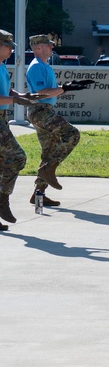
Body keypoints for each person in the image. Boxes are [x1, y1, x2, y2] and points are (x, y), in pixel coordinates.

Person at [25, 34, 81, 208]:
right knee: (72, 134)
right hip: (39, 110)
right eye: (48, 45)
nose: (52, 48)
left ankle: (38, 194)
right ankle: (49, 169)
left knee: (48, 151)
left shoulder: (45, 66)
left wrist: (68, 88)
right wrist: (63, 88)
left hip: (44, 110)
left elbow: (51, 91)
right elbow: (42, 92)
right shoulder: (36, 67)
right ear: (37, 48)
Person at [0, 31, 33, 229]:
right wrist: (15, 100)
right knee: (17, 157)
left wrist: (23, 95)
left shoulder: (2, 67)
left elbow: (5, 92)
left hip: (2, 119)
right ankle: (3, 199)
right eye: (8, 45)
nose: (12, 49)